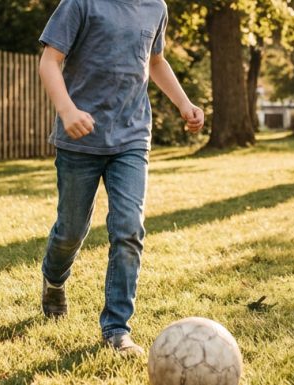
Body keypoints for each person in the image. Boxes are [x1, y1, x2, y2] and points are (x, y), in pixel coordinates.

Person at [37, 0, 204, 356]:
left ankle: (116, 328)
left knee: (129, 228)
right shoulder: (81, 4)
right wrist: (67, 110)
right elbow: (50, 61)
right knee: (70, 231)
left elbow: (155, 61)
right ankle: (54, 280)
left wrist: (184, 104)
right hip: (79, 139)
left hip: (131, 138)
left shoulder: (155, 7)